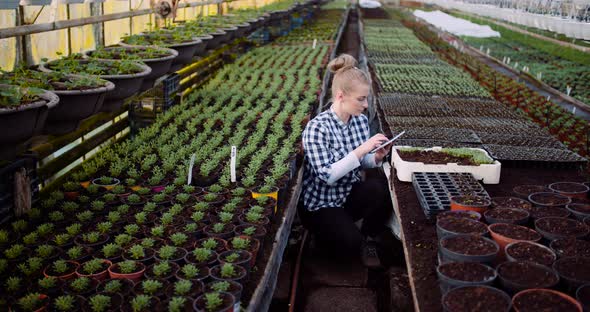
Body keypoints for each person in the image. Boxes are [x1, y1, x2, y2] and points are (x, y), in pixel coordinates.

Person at [299, 54, 393, 268]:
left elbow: (361, 162)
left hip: (346, 195)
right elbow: (328, 176)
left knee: (381, 188)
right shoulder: (317, 128)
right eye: (361, 99)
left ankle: (368, 237)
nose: (366, 105)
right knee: (349, 247)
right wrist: (362, 150)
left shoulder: (359, 120)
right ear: (341, 96)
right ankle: (323, 237)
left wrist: (375, 157)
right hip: (320, 205)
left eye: (366, 98)